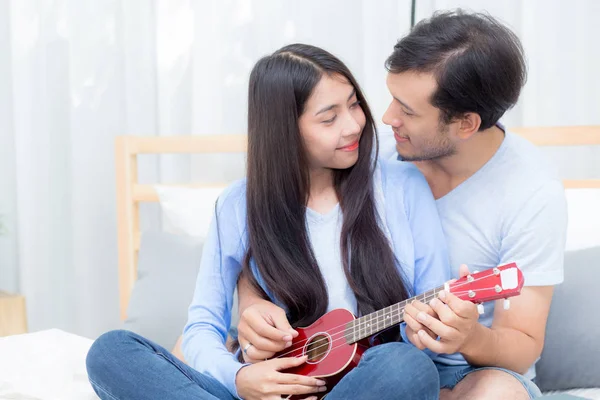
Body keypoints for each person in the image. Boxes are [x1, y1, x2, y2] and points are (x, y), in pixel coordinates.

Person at [85, 43, 451, 400]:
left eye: (354, 104)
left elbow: (432, 315)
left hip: (366, 384)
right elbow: (201, 327)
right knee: (111, 351)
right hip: (267, 391)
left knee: (407, 366)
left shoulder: (403, 187)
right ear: (284, 131)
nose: (354, 124)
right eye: (329, 117)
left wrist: (426, 334)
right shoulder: (237, 206)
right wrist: (240, 377)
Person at [238, 11, 567, 400]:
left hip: (464, 373)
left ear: (465, 124)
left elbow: (524, 343)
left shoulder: (532, 194)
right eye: (393, 98)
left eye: (408, 111)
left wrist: (470, 336)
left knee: (497, 394)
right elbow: (269, 223)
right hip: (362, 364)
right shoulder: (365, 153)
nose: (386, 118)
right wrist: (251, 302)